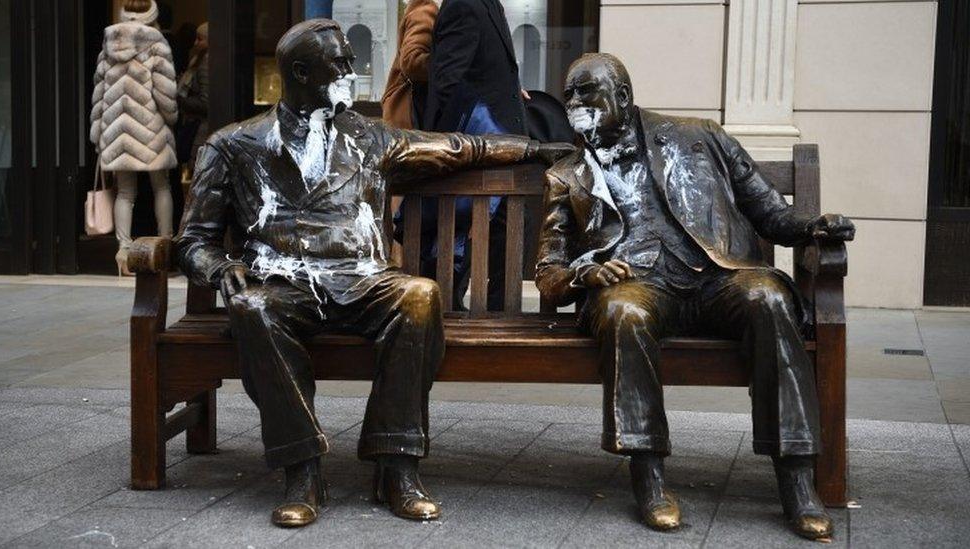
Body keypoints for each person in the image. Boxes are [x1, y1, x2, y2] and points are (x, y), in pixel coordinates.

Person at [176, 18, 573, 528]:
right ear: (300, 71)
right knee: (252, 305)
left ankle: (395, 464)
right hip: (283, 284)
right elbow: (193, 240)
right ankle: (302, 469)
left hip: (363, 280)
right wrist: (218, 266)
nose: (351, 71)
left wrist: (535, 149)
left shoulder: (369, 137)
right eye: (339, 63)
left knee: (419, 295)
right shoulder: (234, 145)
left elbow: (458, 147)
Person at [536, 53, 855, 540]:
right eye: (569, 94)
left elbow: (769, 211)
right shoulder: (567, 175)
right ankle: (649, 478)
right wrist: (587, 274)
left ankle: (796, 481)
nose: (575, 102)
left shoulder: (699, 136)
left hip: (716, 279)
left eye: (586, 91)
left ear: (623, 97)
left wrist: (812, 226)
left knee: (767, 297)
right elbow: (549, 272)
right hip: (636, 286)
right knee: (624, 309)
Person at [414, 0, 529, 310]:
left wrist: (508, 88)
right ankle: (446, 315)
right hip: (479, 155)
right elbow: (447, 84)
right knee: (459, 241)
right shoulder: (464, 5)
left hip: (501, 152)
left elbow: (480, 70)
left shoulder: (487, 4)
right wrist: (481, 134)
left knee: (499, 238)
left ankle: (497, 321)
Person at [90, 0, 178, 275]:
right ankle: (165, 244)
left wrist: (98, 132)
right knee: (161, 187)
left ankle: (123, 252)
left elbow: (99, 93)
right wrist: (171, 117)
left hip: (116, 131)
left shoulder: (109, 43)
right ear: (152, 15)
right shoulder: (157, 43)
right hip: (149, 129)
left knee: (126, 193)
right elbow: (165, 93)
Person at [381, 0, 441, 130]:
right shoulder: (425, 11)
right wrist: (449, 64)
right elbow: (411, 62)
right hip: (409, 113)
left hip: (404, 112)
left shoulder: (423, 9)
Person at [177, 22, 209, 176]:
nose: (195, 43)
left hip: (200, 129)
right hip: (195, 126)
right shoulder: (198, 59)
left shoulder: (205, 63)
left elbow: (205, 103)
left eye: (200, 39)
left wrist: (178, 99)